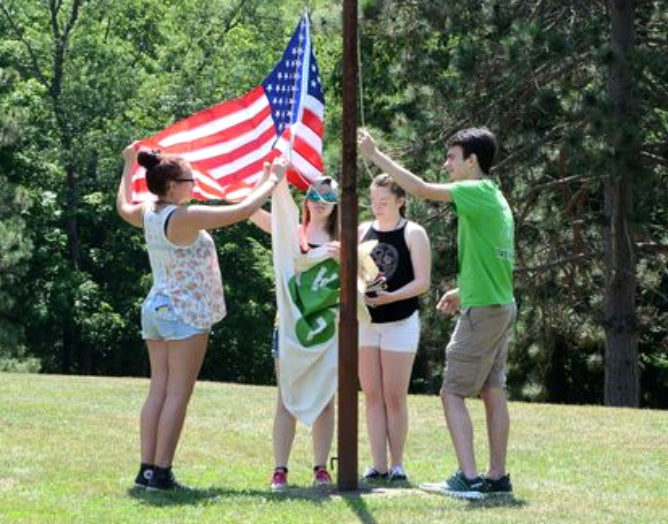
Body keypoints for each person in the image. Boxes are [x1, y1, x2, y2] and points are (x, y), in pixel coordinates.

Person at [117, 143, 286, 491]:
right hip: (186, 311)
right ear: (173, 185)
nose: (194, 183)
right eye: (189, 179)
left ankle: (146, 470)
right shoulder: (185, 217)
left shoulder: (148, 211)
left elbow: (122, 206)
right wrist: (273, 181)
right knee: (178, 393)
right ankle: (162, 472)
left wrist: (127, 165)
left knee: (159, 391)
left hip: (156, 308)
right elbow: (240, 211)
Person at [358, 128, 515, 499]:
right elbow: (496, 255)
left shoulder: (474, 191)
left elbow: (422, 190)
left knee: (451, 394)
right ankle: (496, 476)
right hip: (500, 303)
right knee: (493, 391)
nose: (446, 164)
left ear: (472, 161)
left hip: (485, 312)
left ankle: (469, 478)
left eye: (452, 157)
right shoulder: (495, 196)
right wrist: (466, 290)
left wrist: (376, 155)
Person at [249, 175, 340, 492]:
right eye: (314, 194)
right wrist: (269, 178)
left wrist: (348, 259)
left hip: (328, 329)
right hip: (289, 327)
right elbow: (251, 211)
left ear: (337, 202)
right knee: (285, 398)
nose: (319, 201)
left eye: (327, 195)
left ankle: (320, 469)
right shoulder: (290, 231)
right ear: (304, 199)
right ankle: (280, 470)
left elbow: (366, 279)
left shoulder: (345, 239)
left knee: (326, 399)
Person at [357, 173, 431, 484]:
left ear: (401, 201)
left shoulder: (414, 233)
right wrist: (361, 292)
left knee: (394, 396)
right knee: (372, 394)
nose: (377, 208)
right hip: (367, 323)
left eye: (384, 202)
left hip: (401, 321)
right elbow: (356, 273)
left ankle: (397, 464)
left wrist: (390, 297)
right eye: (373, 202)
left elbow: (422, 283)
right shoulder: (362, 230)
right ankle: (378, 465)